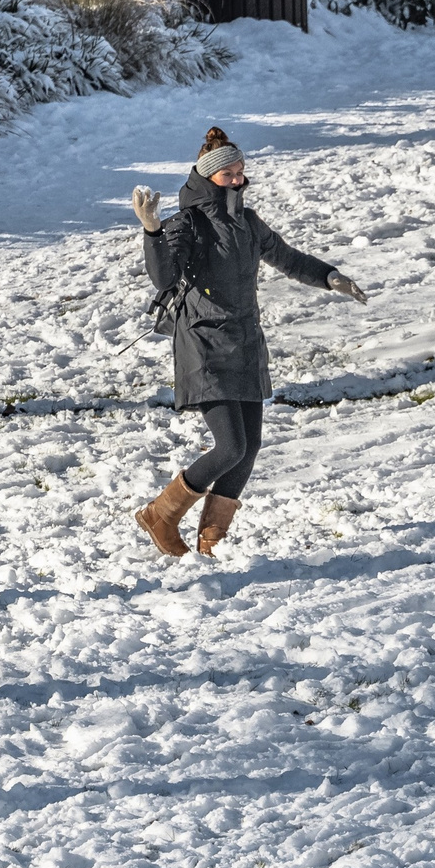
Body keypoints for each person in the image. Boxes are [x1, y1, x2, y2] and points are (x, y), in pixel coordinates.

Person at [129, 128, 368, 559]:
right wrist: (152, 232)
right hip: (203, 344)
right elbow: (164, 278)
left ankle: (211, 541)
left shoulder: (248, 222)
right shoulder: (189, 223)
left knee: (250, 447)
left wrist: (329, 277)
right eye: (229, 176)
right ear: (208, 178)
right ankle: (160, 514)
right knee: (231, 446)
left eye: (241, 173)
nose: (239, 180)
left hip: (245, 342)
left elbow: (288, 257)